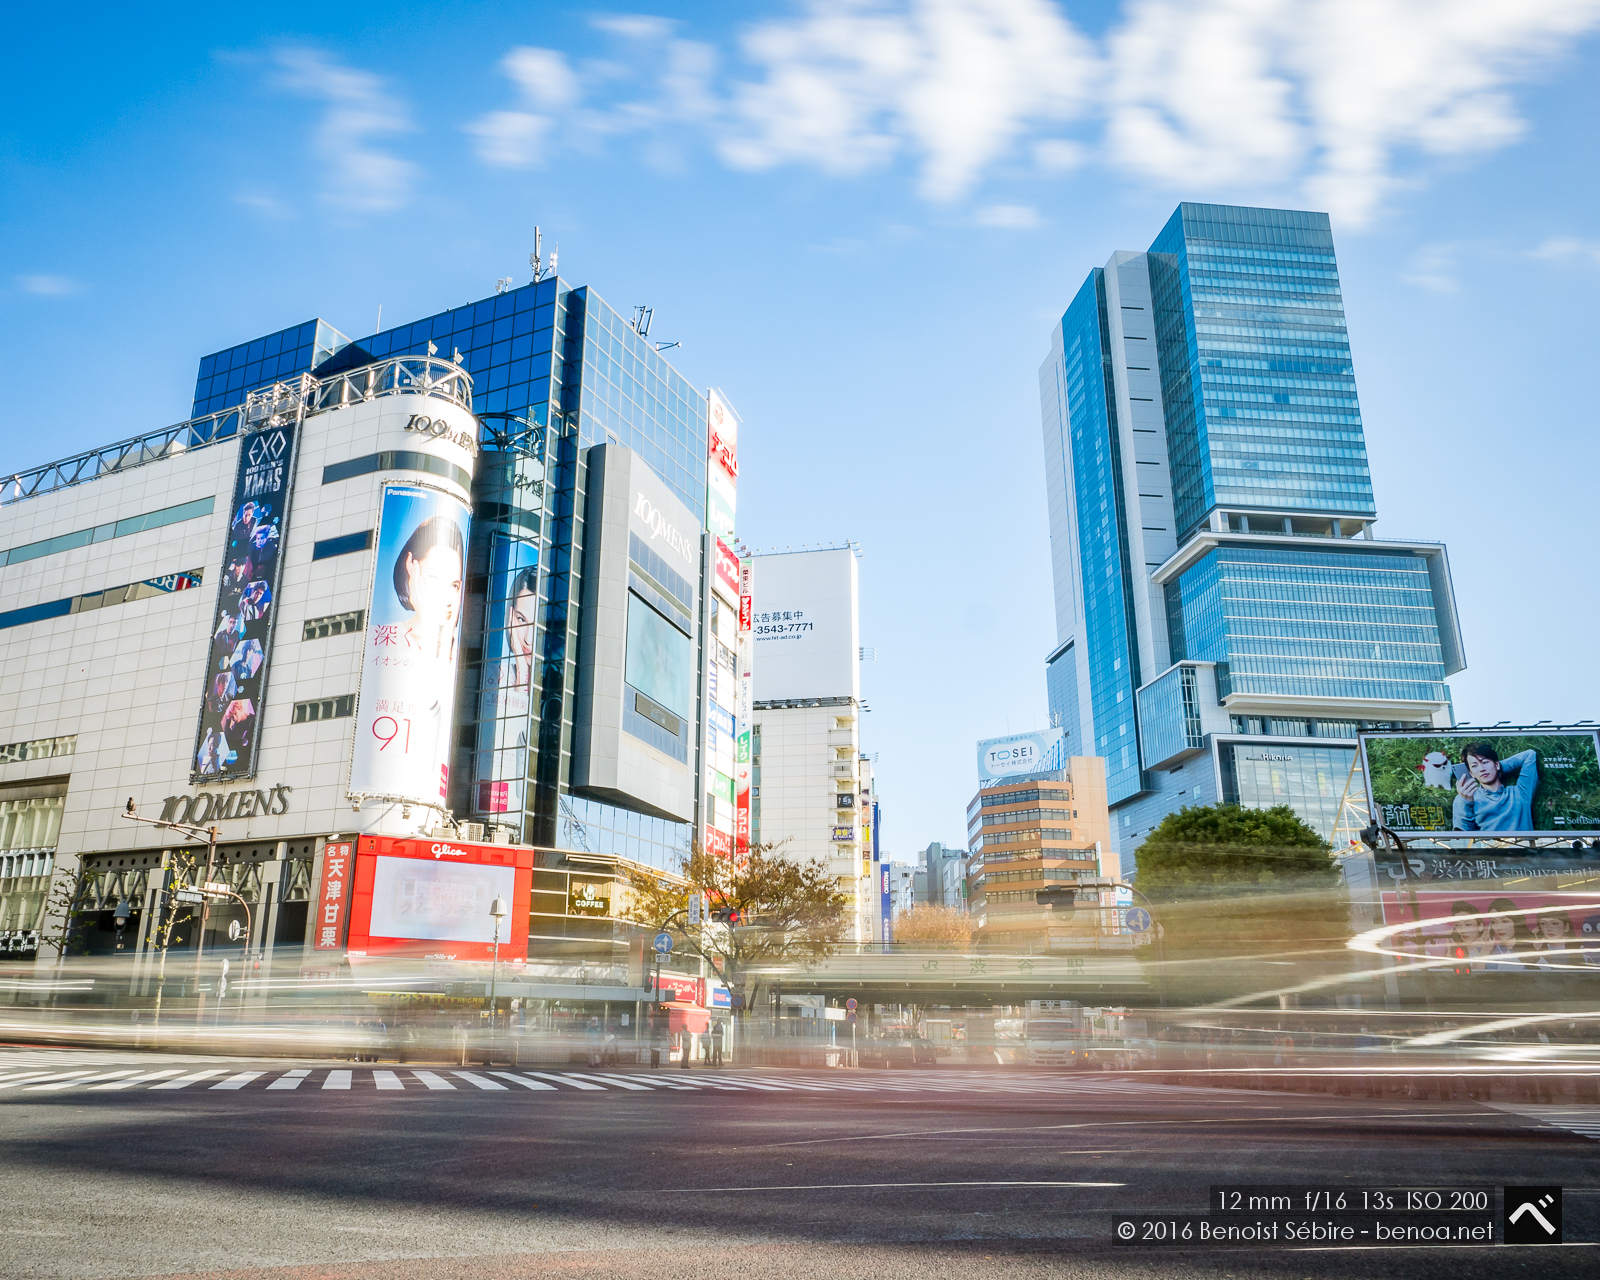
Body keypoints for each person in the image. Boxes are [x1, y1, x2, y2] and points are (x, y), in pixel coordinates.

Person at [393, 515, 465, 661]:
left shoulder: (460, 646)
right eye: (434, 578)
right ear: (411, 566)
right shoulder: (385, 639)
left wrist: (446, 637)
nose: (446, 597)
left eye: (454, 585)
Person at [1452, 742, 1539, 832]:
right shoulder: (1465, 798)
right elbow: (1462, 837)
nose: (1482, 768)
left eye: (1485, 762)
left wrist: (1498, 767)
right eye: (1474, 766)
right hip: (1490, 845)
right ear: (1471, 773)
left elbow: (1530, 755)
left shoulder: (1520, 792)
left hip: (1522, 845)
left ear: (1497, 764)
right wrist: (1466, 802)